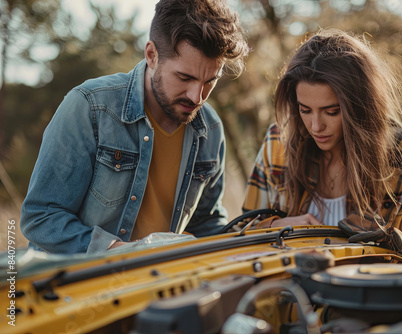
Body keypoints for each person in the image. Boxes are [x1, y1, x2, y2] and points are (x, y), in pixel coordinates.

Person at [20, 0, 249, 254]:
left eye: (210, 81)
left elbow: (207, 224)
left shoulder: (211, 129)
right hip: (79, 285)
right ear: (151, 55)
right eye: (185, 78)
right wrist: (119, 252)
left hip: (163, 286)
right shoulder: (90, 106)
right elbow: (41, 217)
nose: (197, 97)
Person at [242, 28, 402, 259]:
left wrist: (393, 240)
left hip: (369, 289)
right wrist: (278, 225)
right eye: (305, 110)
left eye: (332, 111)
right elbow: (240, 231)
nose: (316, 126)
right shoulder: (278, 142)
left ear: (360, 107)